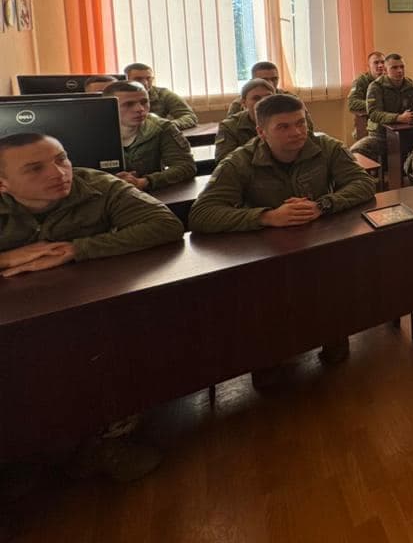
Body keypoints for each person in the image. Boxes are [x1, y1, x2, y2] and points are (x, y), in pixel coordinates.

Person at [0, 132, 184, 481]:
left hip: (85, 307)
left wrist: (76, 249)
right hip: (14, 317)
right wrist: (7, 258)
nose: (58, 173)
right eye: (35, 168)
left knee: (113, 341)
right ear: (3, 183)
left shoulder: (97, 185)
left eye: (61, 159)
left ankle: (110, 440)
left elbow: (165, 225)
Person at [189, 94, 377, 376]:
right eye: (284, 127)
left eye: (301, 123)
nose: (297, 132)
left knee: (330, 284)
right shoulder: (239, 161)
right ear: (261, 132)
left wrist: (323, 205)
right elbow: (201, 214)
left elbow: (363, 183)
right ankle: (269, 357)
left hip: (318, 244)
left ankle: (333, 336)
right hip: (265, 252)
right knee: (268, 309)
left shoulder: (326, 147)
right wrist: (267, 216)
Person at [101, 81, 196, 192]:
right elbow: (83, 173)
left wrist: (145, 181)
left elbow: (186, 166)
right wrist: (109, 180)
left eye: (144, 102)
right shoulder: (92, 131)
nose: (140, 109)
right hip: (104, 194)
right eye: (128, 104)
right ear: (108, 107)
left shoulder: (161, 127)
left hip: (150, 194)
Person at [352, 54, 413, 160]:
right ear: (385, 71)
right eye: (394, 68)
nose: (399, 70)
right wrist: (399, 118)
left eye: (402, 67)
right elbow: (374, 114)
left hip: (408, 133)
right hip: (381, 135)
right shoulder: (376, 87)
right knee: (355, 151)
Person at [213, 78, 276, 162]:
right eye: (256, 98)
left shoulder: (286, 121)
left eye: (268, 97)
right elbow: (223, 161)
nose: (263, 102)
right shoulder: (230, 126)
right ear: (244, 103)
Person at [123, 63, 198, 129]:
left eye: (148, 78)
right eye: (138, 79)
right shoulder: (118, 97)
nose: (145, 83)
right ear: (125, 80)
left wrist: (166, 126)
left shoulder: (163, 94)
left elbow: (190, 117)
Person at [346, 50, 386, 121]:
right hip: (367, 120)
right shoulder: (361, 80)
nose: (380, 65)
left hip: (387, 117)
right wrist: (375, 103)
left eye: (383, 62)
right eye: (376, 63)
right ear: (369, 66)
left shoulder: (390, 79)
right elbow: (352, 103)